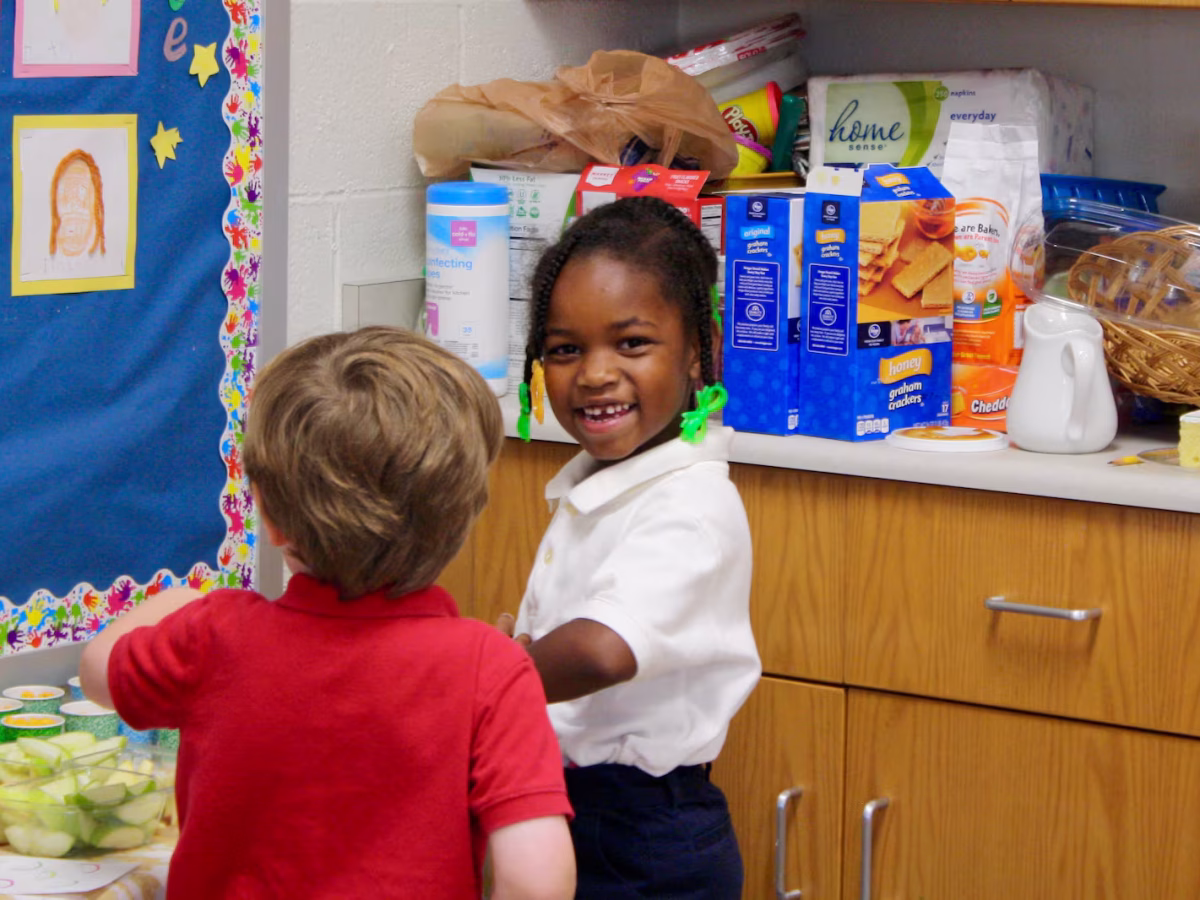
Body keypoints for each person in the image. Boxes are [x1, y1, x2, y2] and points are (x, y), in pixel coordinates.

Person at [80, 326, 575, 900]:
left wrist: (180, 603)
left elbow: (98, 672)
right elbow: (537, 878)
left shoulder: (213, 635)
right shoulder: (490, 668)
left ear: (265, 512)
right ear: (463, 513)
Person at [502, 196, 761, 899]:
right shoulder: (602, 481)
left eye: (632, 343)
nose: (593, 374)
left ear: (699, 349)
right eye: (564, 349)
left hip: (645, 838)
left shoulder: (693, 503)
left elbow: (600, 650)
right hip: (569, 807)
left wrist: (485, 676)